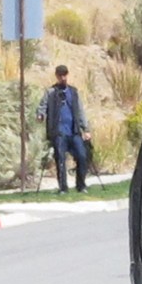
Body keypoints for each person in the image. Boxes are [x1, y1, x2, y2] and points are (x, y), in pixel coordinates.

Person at [36, 65, 92, 194]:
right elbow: (42, 107)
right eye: (60, 75)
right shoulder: (50, 92)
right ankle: (63, 188)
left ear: (67, 75)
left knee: (82, 156)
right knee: (60, 160)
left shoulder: (73, 92)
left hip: (74, 131)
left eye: (65, 75)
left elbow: (80, 111)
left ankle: (81, 185)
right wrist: (41, 115)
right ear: (56, 76)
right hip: (59, 132)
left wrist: (86, 129)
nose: (63, 77)